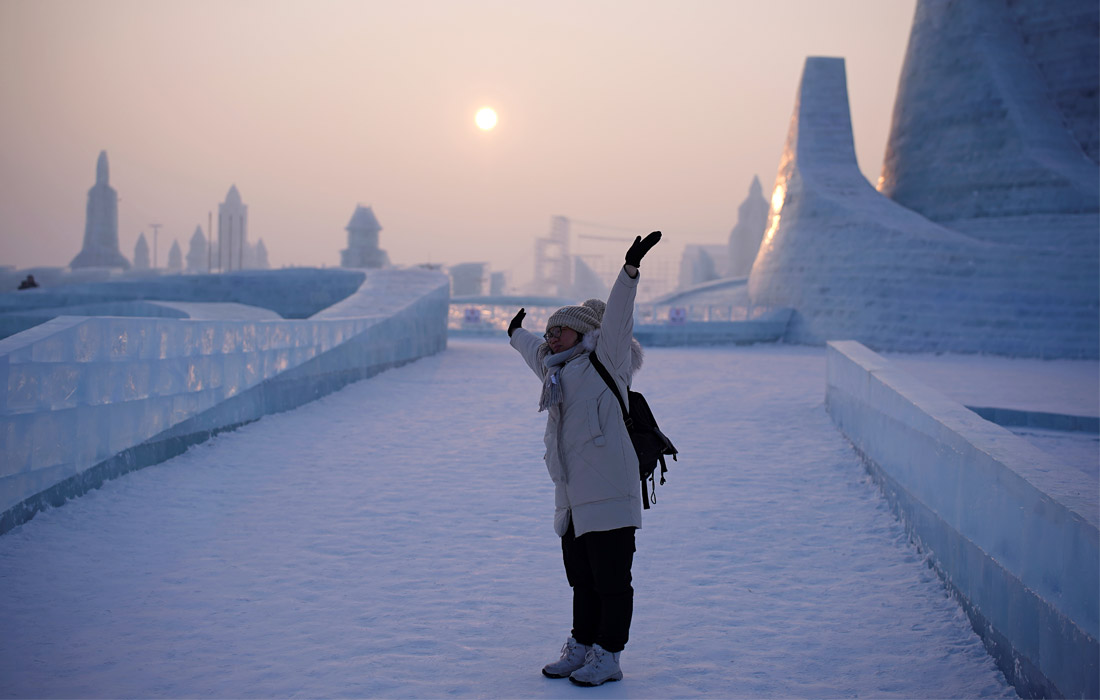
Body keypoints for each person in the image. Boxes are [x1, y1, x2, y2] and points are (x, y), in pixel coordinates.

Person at [507, 231, 662, 687]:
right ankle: (582, 644)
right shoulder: (554, 371)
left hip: (609, 493)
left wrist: (629, 272)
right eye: (550, 332)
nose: (551, 338)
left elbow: (617, 318)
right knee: (582, 579)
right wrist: (516, 333)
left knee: (611, 581)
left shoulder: (606, 359)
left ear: (585, 333)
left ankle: (609, 655)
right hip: (573, 497)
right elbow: (533, 351)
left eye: (560, 331)